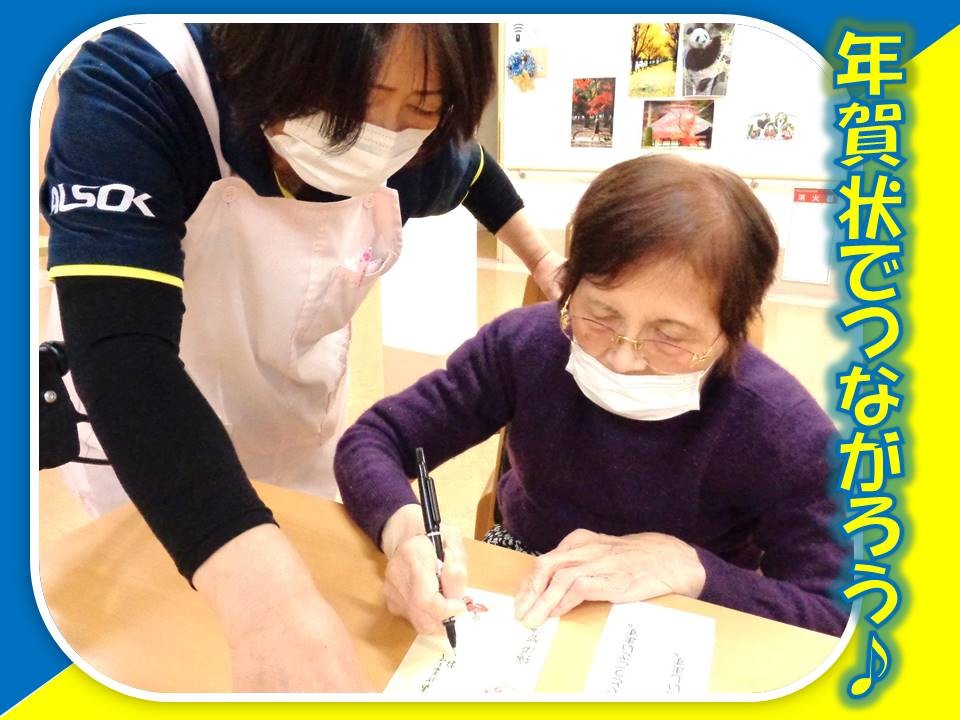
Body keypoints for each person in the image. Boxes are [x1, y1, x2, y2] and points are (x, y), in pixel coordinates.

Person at [41, 22, 563, 691]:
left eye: (422, 106)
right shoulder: (146, 82)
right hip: (154, 438)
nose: (381, 137)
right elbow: (124, 353)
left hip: (293, 423)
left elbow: (475, 173)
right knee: (175, 643)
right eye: (358, 99)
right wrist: (268, 607)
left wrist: (543, 260)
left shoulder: (416, 150)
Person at [335, 154, 850, 640]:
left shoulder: (782, 428)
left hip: (684, 606)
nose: (622, 358)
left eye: (670, 338)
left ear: (731, 330)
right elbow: (375, 440)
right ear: (569, 285)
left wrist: (694, 569)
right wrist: (405, 535)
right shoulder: (526, 346)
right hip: (525, 571)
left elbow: (837, 613)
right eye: (600, 316)